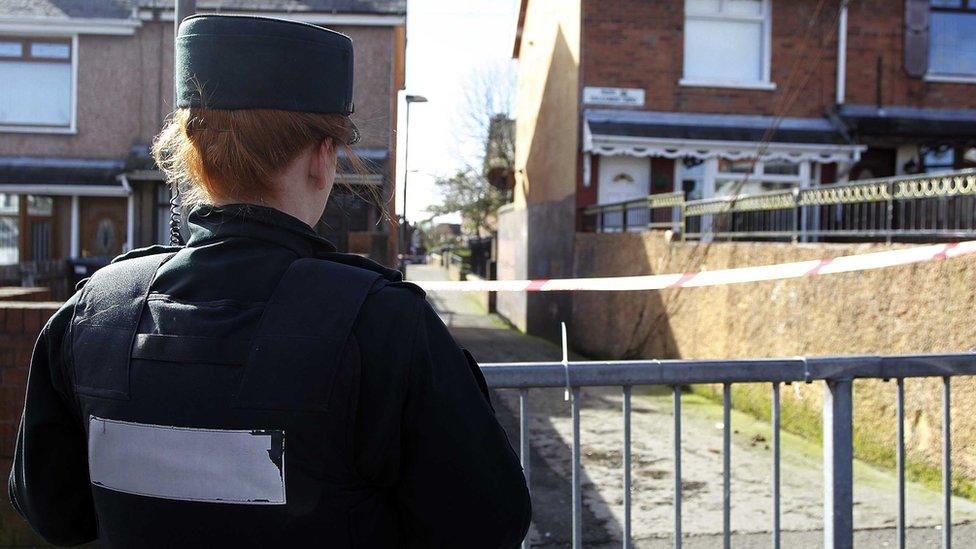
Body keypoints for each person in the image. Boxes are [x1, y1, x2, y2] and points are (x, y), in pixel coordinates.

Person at [8, 14, 531, 548]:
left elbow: (53, 512)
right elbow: (488, 523)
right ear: (323, 158)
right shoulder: (384, 324)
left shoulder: (93, 313)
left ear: (190, 151)